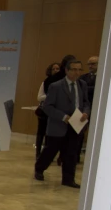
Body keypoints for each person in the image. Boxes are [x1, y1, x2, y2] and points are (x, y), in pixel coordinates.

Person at [35, 59, 90, 188]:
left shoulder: (82, 85)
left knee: (71, 152)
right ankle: (39, 169)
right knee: (51, 150)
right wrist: (63, 116)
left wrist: (86, 113)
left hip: (76, 124)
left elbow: (86, 102)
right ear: (67, 70)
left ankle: (68, 179)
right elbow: (47, 107)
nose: (77, 72)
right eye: (74, 69)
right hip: (59, 124)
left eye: (79, 69)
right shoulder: (56, 86)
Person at [35, 62, 60, 159]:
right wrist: (51, 96)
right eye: (53, 69)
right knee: (41, 132)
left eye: (57, 69)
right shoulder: (45, 82)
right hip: (45, 111)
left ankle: (48, 154)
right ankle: (38, 152)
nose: (55, 71)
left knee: (51, 134)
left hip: (56, 112)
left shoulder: (62, 84)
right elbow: (39, 97)